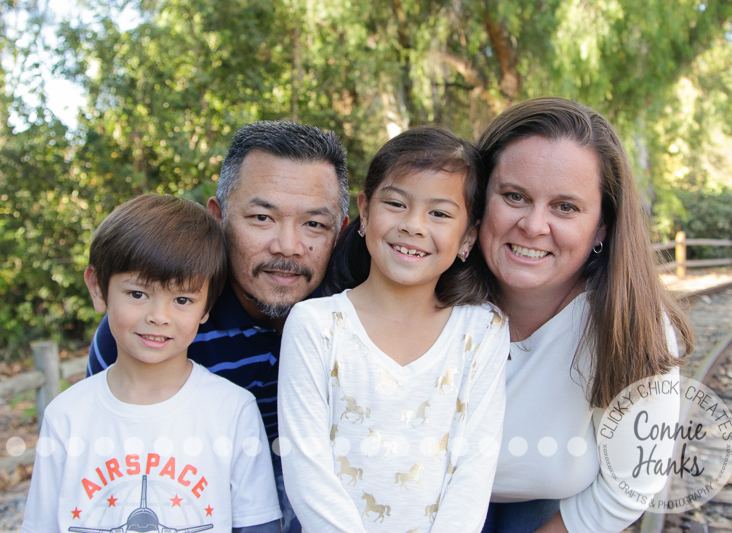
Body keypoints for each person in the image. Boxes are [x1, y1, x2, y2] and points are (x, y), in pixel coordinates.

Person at [85, 121, 349, 532]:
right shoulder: (157, 328)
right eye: (262, 217)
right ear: (218, 216)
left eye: (314, 224)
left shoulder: (357, 317)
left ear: (342, 230)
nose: (288, 245)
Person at [475, 97, 694, 533]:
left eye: (565, 207)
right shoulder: (426, 293)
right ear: (479, 199)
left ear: (602, 228)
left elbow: (627, 488)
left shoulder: (635, 327)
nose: (534, 225)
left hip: (547, 512)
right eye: (515, 196)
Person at [278, 125, 510, 532]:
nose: (414, 225)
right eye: (396, 204)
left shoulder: (482, 331)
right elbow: (307, 469)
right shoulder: (315, 326)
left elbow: (474, 468)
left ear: (468, 235)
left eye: (439, 213)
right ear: (365, 212)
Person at [22, 194, 282, 532]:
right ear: (98, 288)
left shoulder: (233, 411)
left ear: (207, 307)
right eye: (138, 294)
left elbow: (257, 524)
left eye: (182, 299)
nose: (159, 317)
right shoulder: (66, 416)